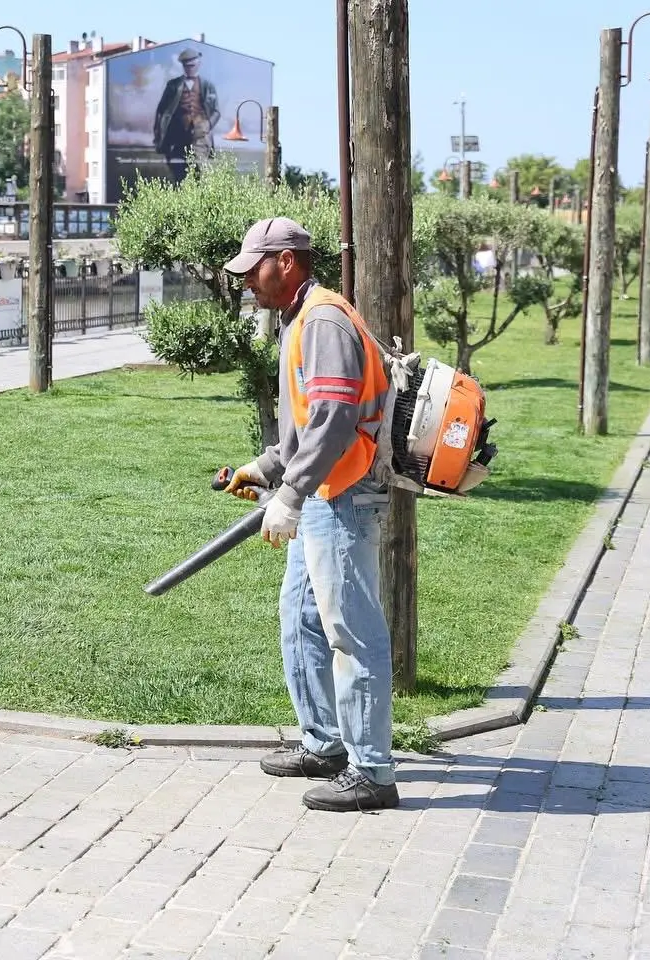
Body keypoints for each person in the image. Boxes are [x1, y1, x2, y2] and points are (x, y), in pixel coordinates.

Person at [220, 216, 398, 813]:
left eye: (254, 269)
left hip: (341, 496)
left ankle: (372, 770)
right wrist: (264, 470)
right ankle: (324, 743)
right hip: (323, 493)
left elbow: (334, 421)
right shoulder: (302, 319)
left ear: (287, 262)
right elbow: (304, 429)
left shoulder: (322, 319)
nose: (248, 282)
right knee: (301, 617)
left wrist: (289, 497)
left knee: (351, 631)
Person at [153, 49, 220, 185]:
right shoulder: (173, 85)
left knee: (201, 172)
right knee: (178, 171)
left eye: (192, 66)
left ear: (198, 65)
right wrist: (159, 135)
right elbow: (161, 110)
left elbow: (216, 111)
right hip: (177, 135)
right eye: (186, 66)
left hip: (200, 135)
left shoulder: (208, 85)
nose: (189, 69)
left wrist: (207, 125)